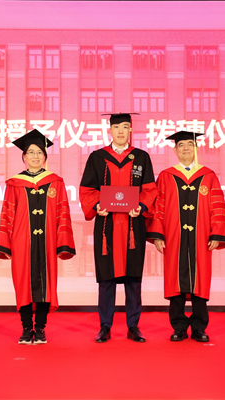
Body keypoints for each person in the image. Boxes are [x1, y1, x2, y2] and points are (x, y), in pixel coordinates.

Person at [79, 113, 158, 343]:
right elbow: (87, 189)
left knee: (133, 279)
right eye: (116, 127)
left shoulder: (141, 157)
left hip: (133, 225)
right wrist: (97, 205)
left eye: (125, 127)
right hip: (107, 225)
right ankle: (105, 326)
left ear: (131, 129)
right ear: (110, 130)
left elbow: (149, 189)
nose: (121, 131)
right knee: (106, 279)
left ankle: (133, 326)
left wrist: (142, 206)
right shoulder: (97, 158)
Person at [147, 131, 225, 342]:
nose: (186, 148)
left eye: (190, 144)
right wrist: (158, 234)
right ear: (175, 150)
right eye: (181, 145)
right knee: (175, 280)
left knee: (200, 280)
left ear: (196, 148)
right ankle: (179, 327)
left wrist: (216, 233)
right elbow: (159, 207)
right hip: (173, 237)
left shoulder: (208, 175)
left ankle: (199, 327)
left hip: (201, 238)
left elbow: (217, 206)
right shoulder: (166, 176)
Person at [0, 129, 76, 345]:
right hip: (21, 242)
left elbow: (62, 212)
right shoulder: (14, 183)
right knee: (23, 283)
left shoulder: (55, 182)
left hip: (47, 241)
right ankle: (25, 328)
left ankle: (40, 328)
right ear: (23, 156)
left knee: (45, 284)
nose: (35, 156)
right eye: (31, 152)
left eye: (39, 152)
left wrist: (62, 242)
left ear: (45, 156)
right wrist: (5, 244)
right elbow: (7, 214)